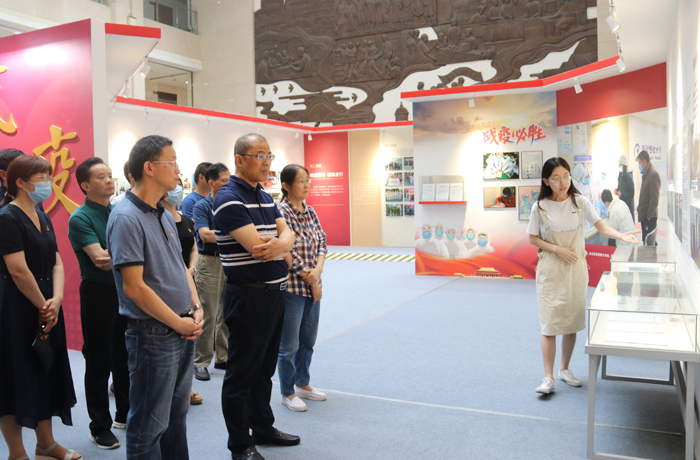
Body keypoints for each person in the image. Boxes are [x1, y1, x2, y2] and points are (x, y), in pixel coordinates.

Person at [106, 135, 204, 459]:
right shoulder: (126, 217)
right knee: (149, 425)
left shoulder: (162, 213)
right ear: (149, 168)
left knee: (176, 418)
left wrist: (195, 306)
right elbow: (134, 287)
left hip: (181, 327)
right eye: (171, 162)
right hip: (154, 333)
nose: (178, 169)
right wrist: (177, 321)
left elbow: (180, 266)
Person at [213, 133, 300, 460]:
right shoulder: (228, 197)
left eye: (269, 156)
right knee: (241, 374)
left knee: (264, 370)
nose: (267, 162)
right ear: (239, 159)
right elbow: (258, 248)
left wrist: (283, 243)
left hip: (275, 294)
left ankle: (262, 427)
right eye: (260, 155)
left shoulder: (263, 195)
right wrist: (282, 244)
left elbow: (287, 234)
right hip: (248, 296)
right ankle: (240, 444)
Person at [527, 158, 638, 395]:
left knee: (571, 321)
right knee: (549, 323)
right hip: (551, 270)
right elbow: (532, 238)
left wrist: (622, 236)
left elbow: (601, 226)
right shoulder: (540, 207)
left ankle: (564, 369)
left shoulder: (580, 202)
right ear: (546, 181)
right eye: (556, 179)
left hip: (575, 269)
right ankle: (548, 377)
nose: (563, 183)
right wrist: (557, 249)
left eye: (566, 176)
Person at [0, 155, 81, 460]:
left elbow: (57, 261)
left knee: (45, 370)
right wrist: (44, 306)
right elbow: (18, 270)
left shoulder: (41, 214)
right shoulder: (7, 217)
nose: (48, 182)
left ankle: (45, 444)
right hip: (18, 306)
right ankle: (17, 452)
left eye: (49, 176)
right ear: (20, 182)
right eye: (42, 177)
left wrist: (56, 300)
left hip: (47, 302)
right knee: (15, 377)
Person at [68, 157, 129, 450]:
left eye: (110, 175)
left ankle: (124, 414)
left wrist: (118, 257)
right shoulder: (80, 217)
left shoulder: (117, 212)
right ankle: (99, 426)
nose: (108, 180)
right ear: (85, 185)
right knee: (99, 359)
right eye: (101, 177)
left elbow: (115, 256)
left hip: (123, 290)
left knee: (125, 355)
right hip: (97, 294)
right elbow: (100, 259)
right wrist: (128, 257)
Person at [277, 164, 328, 412]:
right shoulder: (281, 212)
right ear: (286, 186)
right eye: (300, 181)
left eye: (308, 180)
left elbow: (322, 241)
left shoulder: (311, 211)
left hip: (313, 283)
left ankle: (302, 383)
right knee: (289, 345)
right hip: (293, 287)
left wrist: (318, 272)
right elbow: (287, 250)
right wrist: (311, 279)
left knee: (308, 340)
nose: (306, 185)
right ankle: (287, 391)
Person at [160, 176, 205, 406]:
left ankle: (184, 388)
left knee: (188, 341)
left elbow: (193, 249)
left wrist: (191, 269)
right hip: (169, 286)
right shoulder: (155, 218)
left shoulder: (184, 220)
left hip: (187, 280)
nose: (177, 187)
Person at [192, 163, 230, 381]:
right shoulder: (202, 206)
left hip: (230, 260)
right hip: (210, 262)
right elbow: (205, 235)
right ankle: (201, 361)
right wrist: (236, 234)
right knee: (207, 312)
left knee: (227, 312)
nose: (228, 184)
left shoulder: (231, 205)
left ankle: (223, 357)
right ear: (211, 183)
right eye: (224, 181)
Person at [636, 150, 661, 246]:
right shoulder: (646, 173)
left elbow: (654, 198)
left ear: (644, 161)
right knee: (645, 241)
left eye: (639, 162)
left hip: (649, 217)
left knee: (649, 243)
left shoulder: (653, 174)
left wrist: (649, 215)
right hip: (645, 215)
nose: (639, 165)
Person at [615, 154, 635, 221]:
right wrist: (616, 190)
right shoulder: (621, 175)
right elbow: (621, 188)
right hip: (623, 204)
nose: (619, 167)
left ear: (624, 166)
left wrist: (622, 195)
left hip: (628, 205)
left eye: (620, 166)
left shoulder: (628, 176)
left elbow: (632, 193)